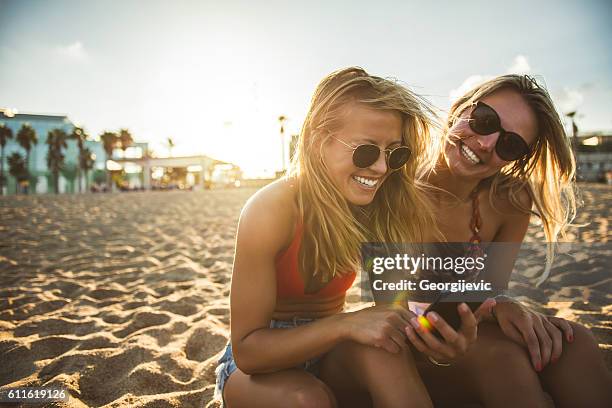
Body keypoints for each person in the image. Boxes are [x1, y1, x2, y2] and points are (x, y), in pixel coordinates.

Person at [215, 67, 493, 408]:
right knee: (307, 400)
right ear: (318, 140)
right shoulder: (272, 209)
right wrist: (344, 325)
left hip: (330, 348)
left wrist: (441, 347)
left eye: (395, 154)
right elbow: (249, 352)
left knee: (386, 353)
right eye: (366, 151)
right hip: (257, 368)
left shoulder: (384, 207)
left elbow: (392, 313)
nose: (380, 168)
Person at [407, 74, 612, 407]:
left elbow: (489, 288)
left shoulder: (510, 201)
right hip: (405, 341)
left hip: (469, 326)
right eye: (484, 120)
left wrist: (500, 303)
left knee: (576, 342)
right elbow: (393, 303)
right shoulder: (396, 186)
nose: (487, 144)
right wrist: (496, 306)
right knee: (502, 358)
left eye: (511, 145)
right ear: (460, 108)